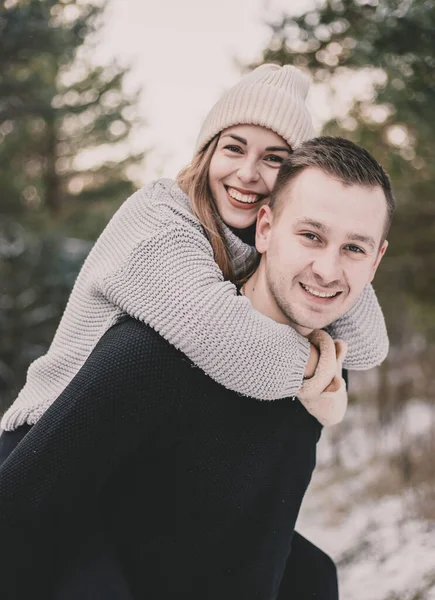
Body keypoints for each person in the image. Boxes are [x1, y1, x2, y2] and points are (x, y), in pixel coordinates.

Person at [0, 137, 395, 600]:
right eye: (311, 235)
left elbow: (254, 547)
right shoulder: (150, 357)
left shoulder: (319, 379)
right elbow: (17, 520)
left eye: (354, 249)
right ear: (264, 228)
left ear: (377, 260)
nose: (328, 269)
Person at [0, 64, 389, 437]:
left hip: (128, 449)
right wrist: (319, 367)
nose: (248, 173)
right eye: (234, 148)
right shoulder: (159, 215)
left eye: (273, 158)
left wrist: (332, 236)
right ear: (208, 153)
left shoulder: (269, 241)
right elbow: (229, 339)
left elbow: (368, 345)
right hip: (46, 437)